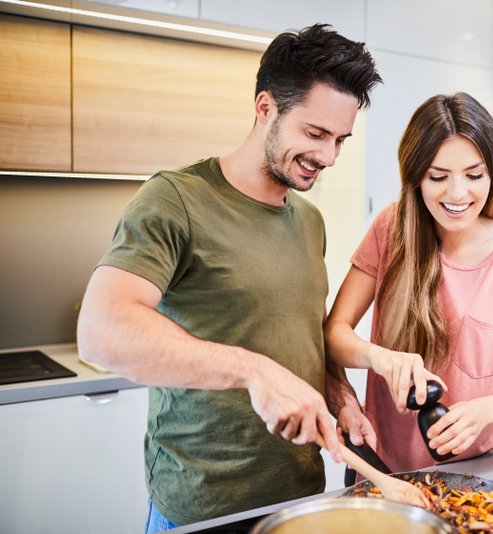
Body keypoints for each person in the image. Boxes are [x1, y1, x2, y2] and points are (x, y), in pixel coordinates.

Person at [76, 24, 382, 530]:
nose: (328, 157)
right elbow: (101, 330)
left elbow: (304, 333)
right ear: (265, 108)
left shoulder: (310, 221)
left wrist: (341, 394)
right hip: (200, 507)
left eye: (340, 141)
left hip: (298, 499)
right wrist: (253, 371)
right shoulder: (175, 199)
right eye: (315, 133)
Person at [324, 92, 493, 473]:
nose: (457, 194)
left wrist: (484, 411)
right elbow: (334, 332)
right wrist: (379, 357)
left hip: (479, 475)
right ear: (416, 178)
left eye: (474, 175)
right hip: (381, 469)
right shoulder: (391, 230)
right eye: (438, 177)